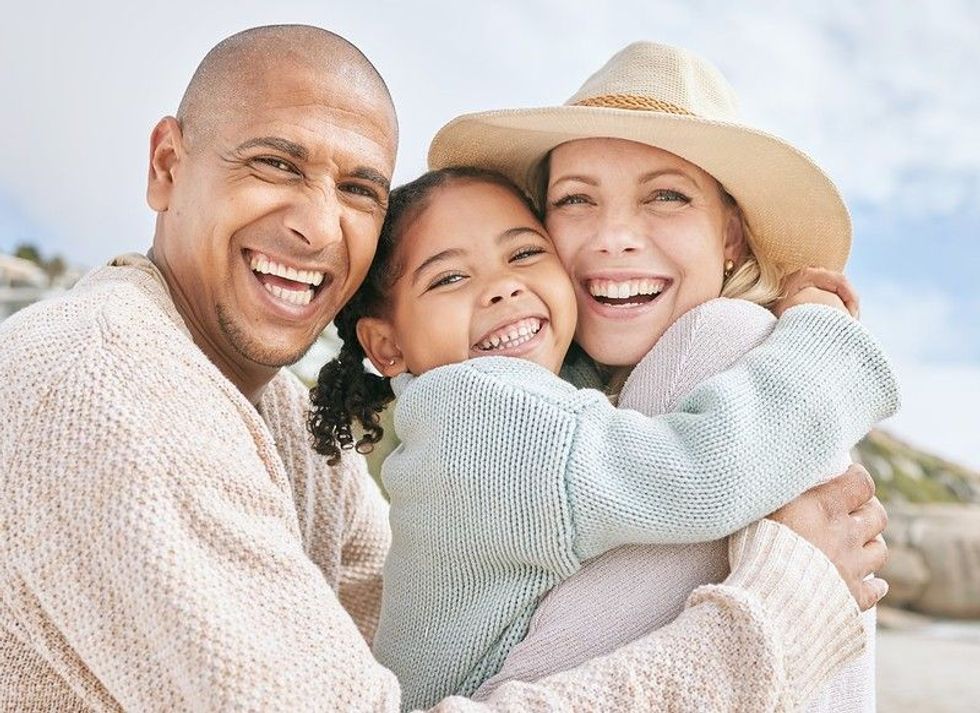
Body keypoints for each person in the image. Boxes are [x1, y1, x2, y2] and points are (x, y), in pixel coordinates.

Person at [0, 25, 888, 712]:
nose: (317, 226)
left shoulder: (281, 423)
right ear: (167, 165)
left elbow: (393, 630)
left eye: (358, 190)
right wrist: (777, 616)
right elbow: (694, 475)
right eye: (275, 164)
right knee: (730, 349)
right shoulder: (111, 383)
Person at [310, 164, 897, 709]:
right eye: (450, 277)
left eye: (524, 253)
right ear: (385, 346)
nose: (503, 288)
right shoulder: (471, 411)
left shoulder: (547, 388)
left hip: (523, 664)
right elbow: (700, 474)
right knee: (738, 342)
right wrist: (821, 334)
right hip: (487, 691)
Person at [430, 42, 886, 711]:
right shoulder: (545, 395)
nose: (614, 235)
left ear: (731, 236)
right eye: (576, 199)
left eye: (666, 195)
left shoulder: (722, 343)